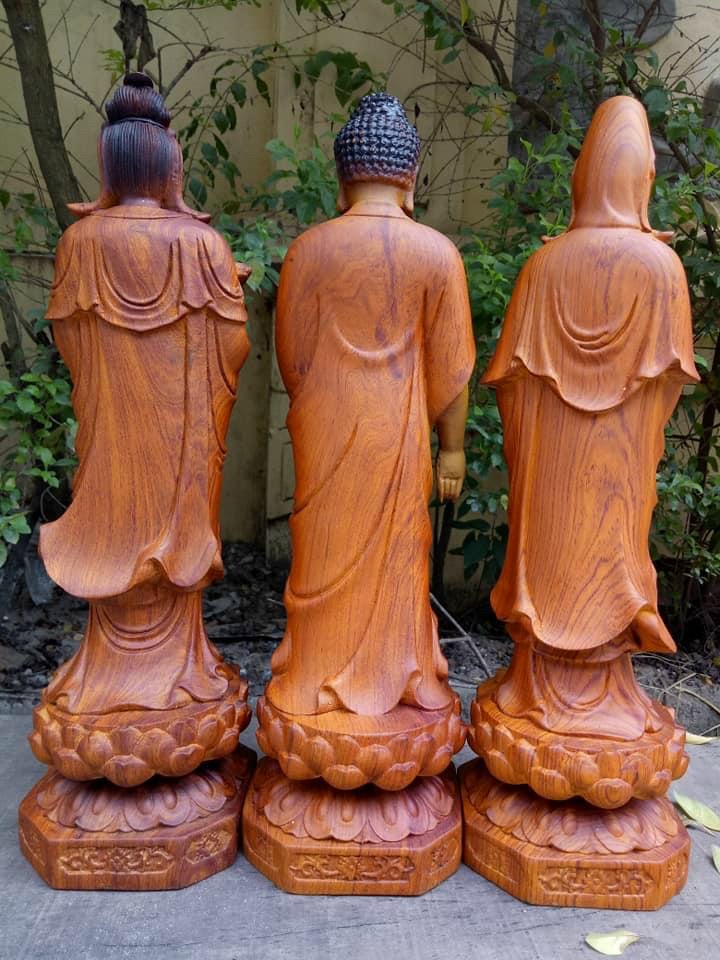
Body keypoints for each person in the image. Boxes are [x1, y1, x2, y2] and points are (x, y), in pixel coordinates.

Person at [38, 73, 250, 720]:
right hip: (176, 448)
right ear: (169, 169)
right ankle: (179, 680)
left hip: (111, 439)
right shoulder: (202, 246)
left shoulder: (80, 243)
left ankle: (105, 684)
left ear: (110, 167)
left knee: (119, 515)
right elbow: (233, 347)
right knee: (170, 523)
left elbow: (72, 345)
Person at [264, 93, 475, 737]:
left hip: (326, 427)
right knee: (397, 557)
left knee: (325, 551)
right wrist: (451, 448)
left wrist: (325, 404)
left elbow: (293, 359)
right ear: (409, 178)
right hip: (400, 435)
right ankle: (397, 673)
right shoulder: (437, 253)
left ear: (342, 178)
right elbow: (452, 369)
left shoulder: (308, 250)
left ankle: (316, 676)